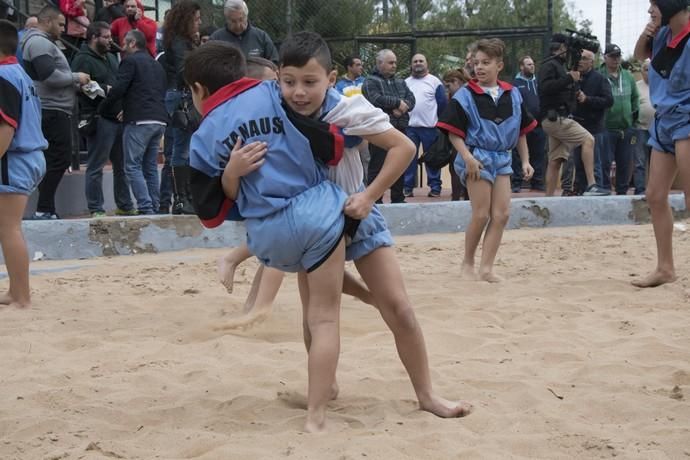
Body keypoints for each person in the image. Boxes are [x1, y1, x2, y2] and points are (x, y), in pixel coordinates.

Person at [186, 37, 472, 432]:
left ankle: (426, 394)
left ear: (330, 79)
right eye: (288, 82)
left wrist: (370, 197)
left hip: (355, 210)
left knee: (399, 308)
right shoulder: (273, 108)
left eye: (308, 82)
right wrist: (232, 172)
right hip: (318, 218)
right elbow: (249, 194)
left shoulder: (345, 107)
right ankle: (326, 387)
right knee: (315, 316)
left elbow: (403, 148)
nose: (298, 93)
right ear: (277, 80)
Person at [438, 38, 535, 282]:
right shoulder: (465, 95)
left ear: (499, 65)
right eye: (476, 63)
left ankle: (487, 268)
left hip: (503, 158)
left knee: (501, 214)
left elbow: (521, 131)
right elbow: (453, 131)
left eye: (486, 63)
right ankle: (468, 262)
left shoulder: (513, 94)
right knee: (481, 214)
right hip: (477, 157)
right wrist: (467, 157)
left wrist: (525, 160)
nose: (479, 67)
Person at [632, 0, 690, 288]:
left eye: (655, 4)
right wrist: (650, 29)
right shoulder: (664, 35)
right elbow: (639, 54)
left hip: (687, 119)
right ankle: (665, 268)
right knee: (655, 195)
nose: (649, 10)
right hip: (663, 121)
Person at [20, 6, 90, 220]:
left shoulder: (41, 43)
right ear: (47, 21)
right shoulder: (39, 43)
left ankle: (45, 208)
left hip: (53, 109)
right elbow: (50, 77)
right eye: (60, 24)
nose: (63, 29)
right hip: (51, 110)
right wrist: (76, 77)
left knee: (54, 159)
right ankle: (44, 208)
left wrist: (75, 83)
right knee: (58, 159)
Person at [0, 19, 47, 308]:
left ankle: (21, 296)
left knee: (9, 228)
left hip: (14, 158)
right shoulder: (19, 72)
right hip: (30, 155)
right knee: (8, 227)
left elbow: (6, 128)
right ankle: (16, 291)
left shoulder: (3, 75)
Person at [71, 21, 136, 218]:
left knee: (122, 165)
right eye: (106, 37)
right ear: (93, 38)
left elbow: (120, 85)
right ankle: (96, 208)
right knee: (96, 165)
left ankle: (124, 205)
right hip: (98, 118)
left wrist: (123, 106)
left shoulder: (111, 58)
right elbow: (81, 86)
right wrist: (105, 90)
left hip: (117, 117)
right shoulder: (82, 59)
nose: (110, 41)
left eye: (110, 37)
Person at [102, 29, 167, 215]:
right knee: (150, 167)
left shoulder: (129, 61)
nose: (122, 47)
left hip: (139, 121)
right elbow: (153, 91)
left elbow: (119, 88)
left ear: (132, 43)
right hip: (159, 119)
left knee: (131, 166)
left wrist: (104, 108)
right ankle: (154, 206)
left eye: (124, 43)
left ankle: (145, 206)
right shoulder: (156, 65)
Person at [538, 33, 609, 197]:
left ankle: (548, 200)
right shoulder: (550, 65)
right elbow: (545, 87)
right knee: (588, 139)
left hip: (555, 118)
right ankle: (592, 186)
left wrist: (572, 87)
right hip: (556, 118)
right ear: (561, 48)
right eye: (566, 47)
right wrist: (569, 78)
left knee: (556, 160)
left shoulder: (558, 65)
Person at [162, 0, 201, 215]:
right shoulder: (179, 43)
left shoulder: (181, 42)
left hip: (182, 94)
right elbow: (182, 71)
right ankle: (181, 198)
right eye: (195, 19)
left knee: (184, 147)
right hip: (181, 96)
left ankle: (185, 196)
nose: (199, 23)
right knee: (181, 148)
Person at [362, 49, 415, 203]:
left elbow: (411, 99)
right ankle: (375, 201)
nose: (394, 65)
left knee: (399, 165)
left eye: (395, 62)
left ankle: (398, 199)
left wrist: (404, 106)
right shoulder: (370, 81)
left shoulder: (400, 81)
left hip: (401, 128)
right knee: (377, 166)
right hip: (380, 131)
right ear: (379, 63)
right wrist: (398, 103)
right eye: (390, 62)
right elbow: (375, 99)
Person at [561, 48, 613, 195]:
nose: (580, 61)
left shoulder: (600, 79)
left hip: (594, 129)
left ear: (592, 61)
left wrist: (587, 99)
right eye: (579, 58)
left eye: (584, 58)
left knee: (594, 166)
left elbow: (609, 101)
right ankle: (582, 194)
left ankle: (596, 195)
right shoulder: (572, 77)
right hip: (576, 128)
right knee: (578, 165)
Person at [403, 53, 447, 198]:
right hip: (410, 128)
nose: (418, 63)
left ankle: (435, 187)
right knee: (408, 158)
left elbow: (442, 104)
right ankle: (407, 187)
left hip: (430, 127)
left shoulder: (435, 82)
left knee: (432, 158)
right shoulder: (405, 82)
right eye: (415, 61)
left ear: (426, 63)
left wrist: (438, 123)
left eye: (421, 60)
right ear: (411, 64)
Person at [600, 43, 640, 195]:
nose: (616, 60)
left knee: (625, 164)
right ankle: (604, 193)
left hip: (626, 129)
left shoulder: (628, 76)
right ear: (605, 57)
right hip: (606, 128)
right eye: (612, 57)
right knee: (605, 163)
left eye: (618, 56)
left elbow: (635, 98)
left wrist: (634, 118)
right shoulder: (600, 75)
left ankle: (622, 194)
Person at [512, 55, 546, 192]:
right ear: (521, 67)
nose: (532, 66)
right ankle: (516, 182)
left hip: (539, 125)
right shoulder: (515, 84)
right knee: (518, 155)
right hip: (522, 126)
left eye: (532, 64)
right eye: (528, 64)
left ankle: (537, 182)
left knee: (538, 154)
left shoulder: (539, 82)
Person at [209, 0, 277, 62]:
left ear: (246, 16)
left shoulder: (261, 37)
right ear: (226, 19)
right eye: (233, 21)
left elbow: (274, 61)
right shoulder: (216, 39)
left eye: (241, 20)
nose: (238, 25)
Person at [442, 68, 470, 201]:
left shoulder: (462, 96)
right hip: (463, 136)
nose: (447, 90)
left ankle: (457, 197)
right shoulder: (466, 93)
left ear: (456, 81)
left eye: (448, 86)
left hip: (464, 137)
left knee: (457, 168)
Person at [633, 58, 655, 195]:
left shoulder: (660, 85)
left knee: (656, 164)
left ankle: (655, 189)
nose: (648, 72)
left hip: (658, 131)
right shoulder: (636, 86)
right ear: (641, 72)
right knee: (639, 162)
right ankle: (640, 189)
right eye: (646, 69)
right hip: (640, 129)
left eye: (651, 69)